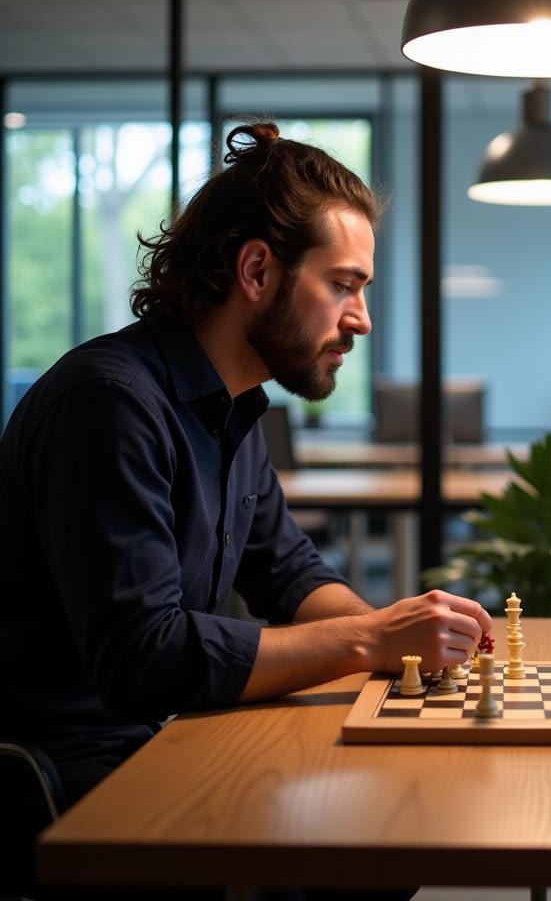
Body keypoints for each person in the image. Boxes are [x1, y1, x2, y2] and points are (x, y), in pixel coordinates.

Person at [0, 122, 490, 829]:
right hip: (70, 773)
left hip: (170, 733)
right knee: (372, 842)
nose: (363, 321)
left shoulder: (235, 406)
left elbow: (288, 575)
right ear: (257, 272)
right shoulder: (107, 403)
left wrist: (387, 630)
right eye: (343, 286)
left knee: (401, 811)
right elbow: (143, 656)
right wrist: (371, 642)